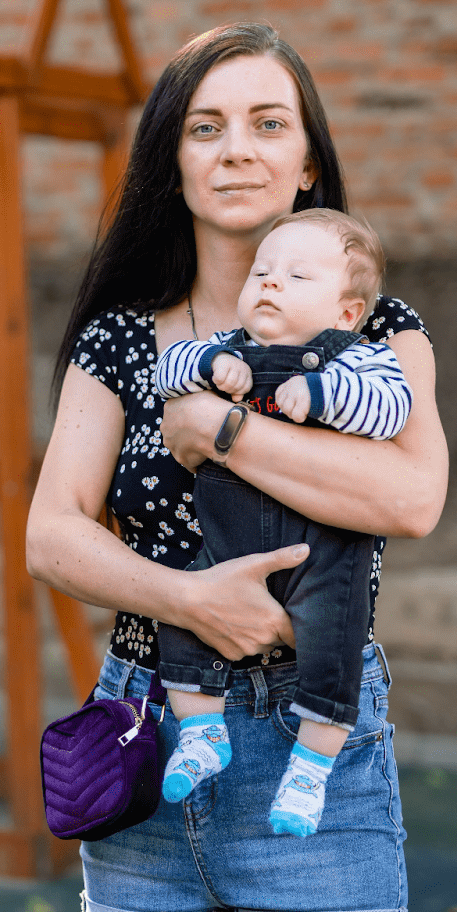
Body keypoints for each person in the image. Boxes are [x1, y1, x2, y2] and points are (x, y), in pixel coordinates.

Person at [26, 22, 448, 912]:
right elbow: (50, 536)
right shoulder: (120, 339)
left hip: (314, 736)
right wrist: (190, 600)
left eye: (268, 123)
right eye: (205, 128)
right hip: (153, 725)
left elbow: (413, 497)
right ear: (172, 161)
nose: (237, 150)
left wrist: (221, 429)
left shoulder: (373, 329)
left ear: (307, 163)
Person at [149, 210, 412, 838]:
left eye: (296, 276)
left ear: (346, 313)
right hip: (227, 546)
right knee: (180, 616)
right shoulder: (227, 347)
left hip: (322, 556)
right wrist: (209, 368)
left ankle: (310, 771)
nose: (270, 282)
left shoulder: (362, 359)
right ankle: (202, 733)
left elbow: (391, 410)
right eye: (261, 271)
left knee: (335, 645)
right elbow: (166, 372)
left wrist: (322, 396)